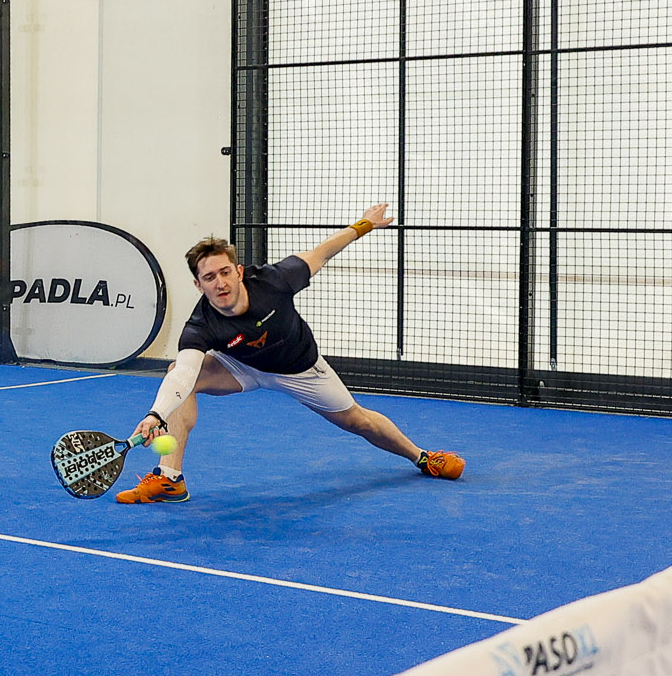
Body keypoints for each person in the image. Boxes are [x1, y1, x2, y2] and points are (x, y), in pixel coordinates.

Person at [116, 206, 465, 504]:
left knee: (358, 421)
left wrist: (364, 225)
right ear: (198, 285)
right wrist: (156, 414)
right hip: (241, 366)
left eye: (225, 272)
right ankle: (170, 478)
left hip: (301, 369)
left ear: (238, 272)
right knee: (182, 373)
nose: (219, 283)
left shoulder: (275, 280)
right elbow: (183, 374)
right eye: (209, 277)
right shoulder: (200, 324)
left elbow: (323, 251)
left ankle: (422, 457)